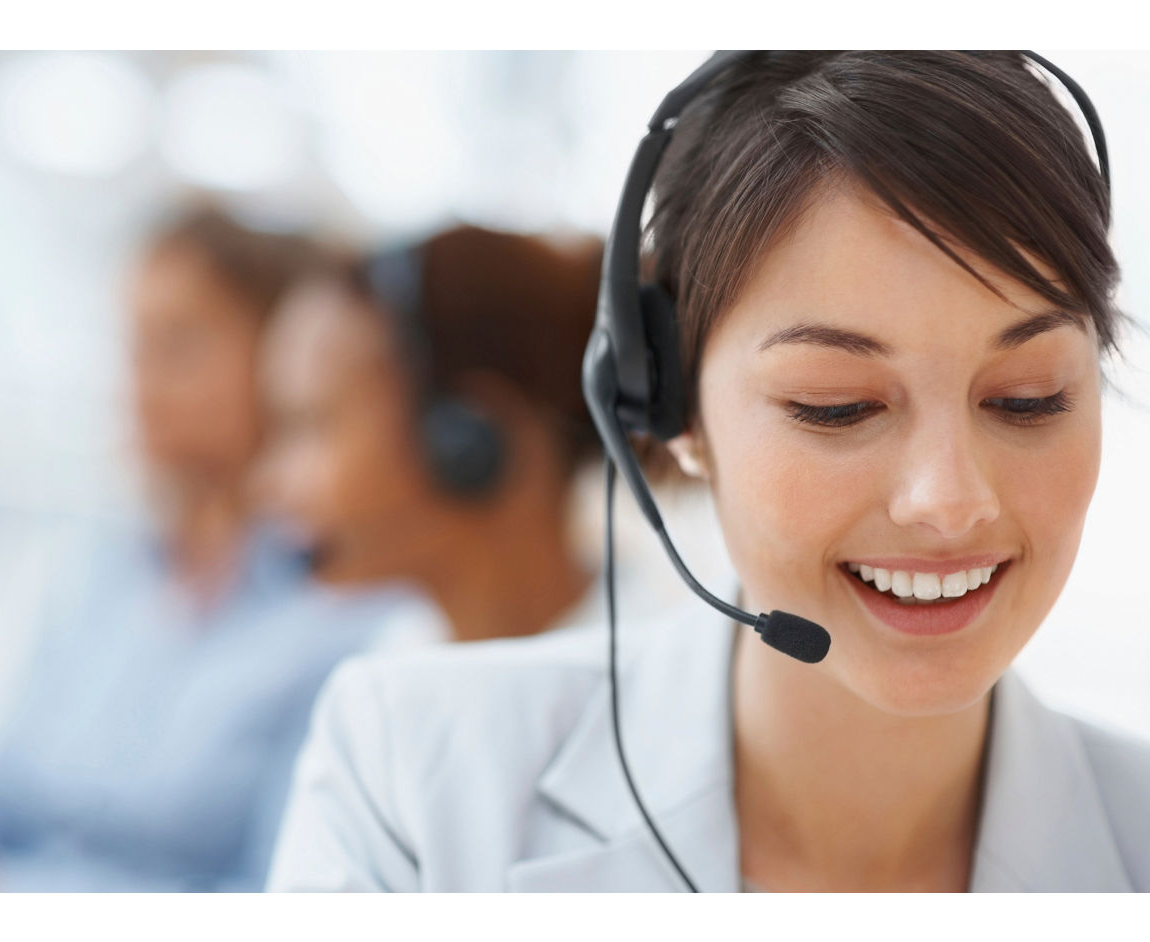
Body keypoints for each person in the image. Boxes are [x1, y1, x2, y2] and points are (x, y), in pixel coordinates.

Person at [265, 52, 1150, 892]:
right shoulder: (408, 778)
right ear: (672, 405)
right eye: (836, 406)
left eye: (1027, 399)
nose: (950, 502)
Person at [0, 206, 396, 891]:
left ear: (284, 359)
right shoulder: (101, 572)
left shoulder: (349, 613)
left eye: (178, 346)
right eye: (134, 346)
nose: (140, 382)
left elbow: (275, 898)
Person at [254, 225, 608, 648]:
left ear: (468, 440)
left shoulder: (669, 680)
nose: (266, 484)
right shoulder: (389, 665)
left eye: (311, 426)